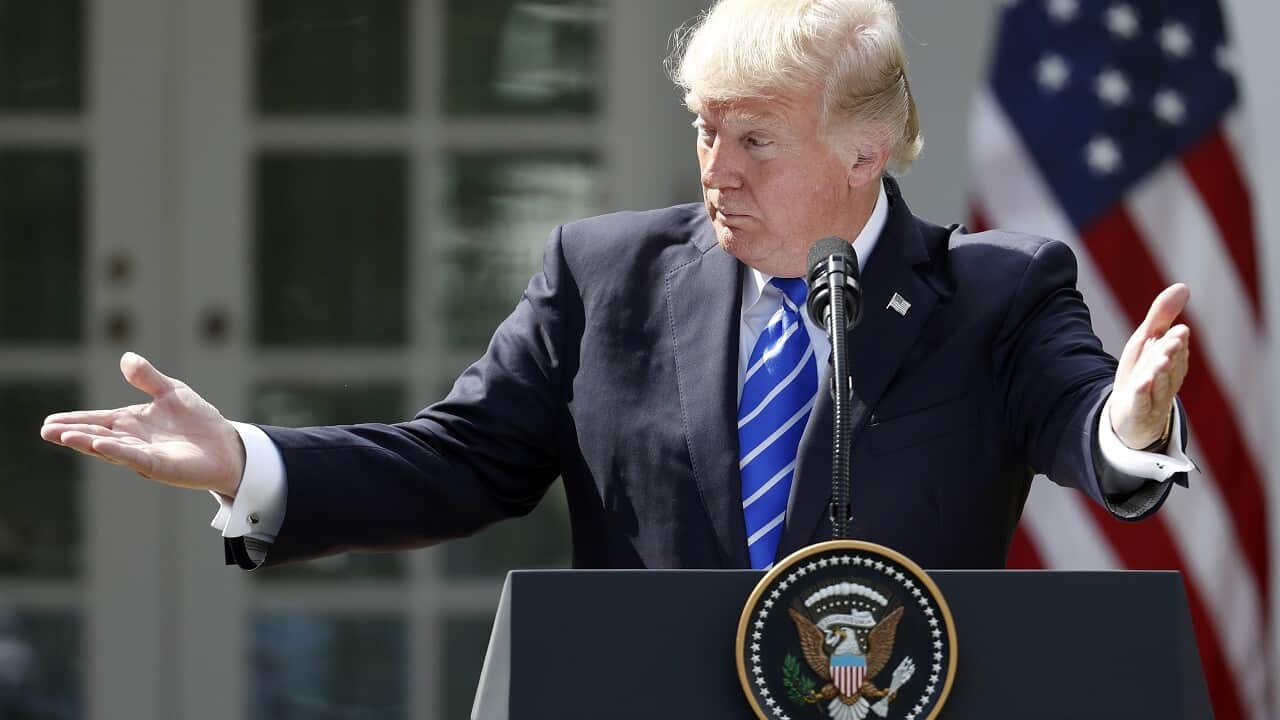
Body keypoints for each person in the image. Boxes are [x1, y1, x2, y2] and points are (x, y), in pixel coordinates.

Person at [39, 0, 1192, 572]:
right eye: (702, 131)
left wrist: (1129, 419)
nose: (712, 169)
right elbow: (460, 460)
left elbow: (1081, 426)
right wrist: (251, 460)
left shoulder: (996, 291)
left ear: (864, 149)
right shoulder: (604, 277)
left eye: (753, 141)